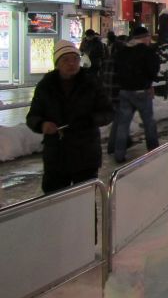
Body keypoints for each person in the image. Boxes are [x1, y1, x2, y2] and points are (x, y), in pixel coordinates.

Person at [25, 40, 113, 193]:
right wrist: (42, 124)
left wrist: (91, 120)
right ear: (57, 63)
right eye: (66, 60)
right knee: (56, 201)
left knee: (85, 200)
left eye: (75, 59)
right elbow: (33, 116)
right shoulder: (46, 86)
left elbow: (108, 112)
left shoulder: (91, 83)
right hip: (56, 156)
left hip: (86, 153)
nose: (71, 63)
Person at [112, 26, 161, 164]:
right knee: (149, 122)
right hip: (141, 91)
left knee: (123, 124)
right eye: (148, 37)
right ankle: (154, 151)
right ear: (144, 38)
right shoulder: (147, 52)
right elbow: (153, 69)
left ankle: (119, 154)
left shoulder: (122, 51)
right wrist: (149, 82)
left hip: (124, 91)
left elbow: (116, 69)